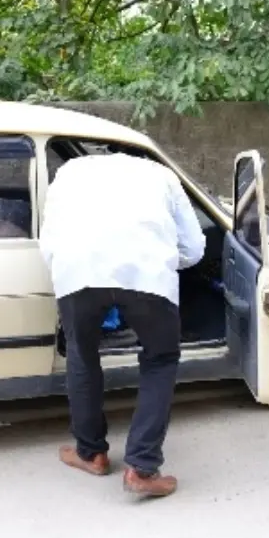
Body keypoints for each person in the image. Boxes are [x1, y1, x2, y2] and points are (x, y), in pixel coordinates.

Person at [39, 146, 206, 497]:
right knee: (160, 360)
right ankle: (142, 469)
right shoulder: (161, 175)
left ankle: (91, 454)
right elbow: (194, 248)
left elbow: (49, 245)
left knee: (82, 357)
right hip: (146, 278)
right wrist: (155, 264)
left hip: (78, 274)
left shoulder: (68, 172)